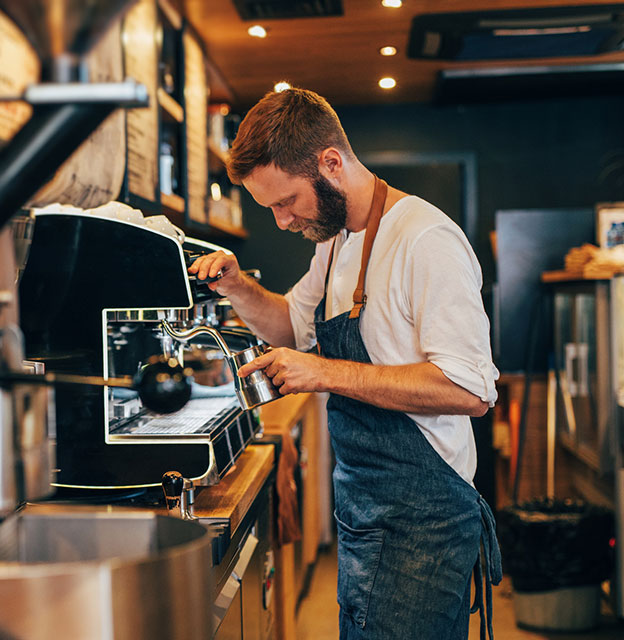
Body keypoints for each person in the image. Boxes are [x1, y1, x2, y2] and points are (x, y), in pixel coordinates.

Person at [189, 87, 502, 640]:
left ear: (330, 163)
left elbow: (468, 389)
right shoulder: (334, 242)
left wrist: (325, 372)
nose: (282, 221)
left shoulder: (425, 239)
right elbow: (291, 323)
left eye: (286, 202)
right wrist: (237, 286)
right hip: (367, 516)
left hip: (421, 526)